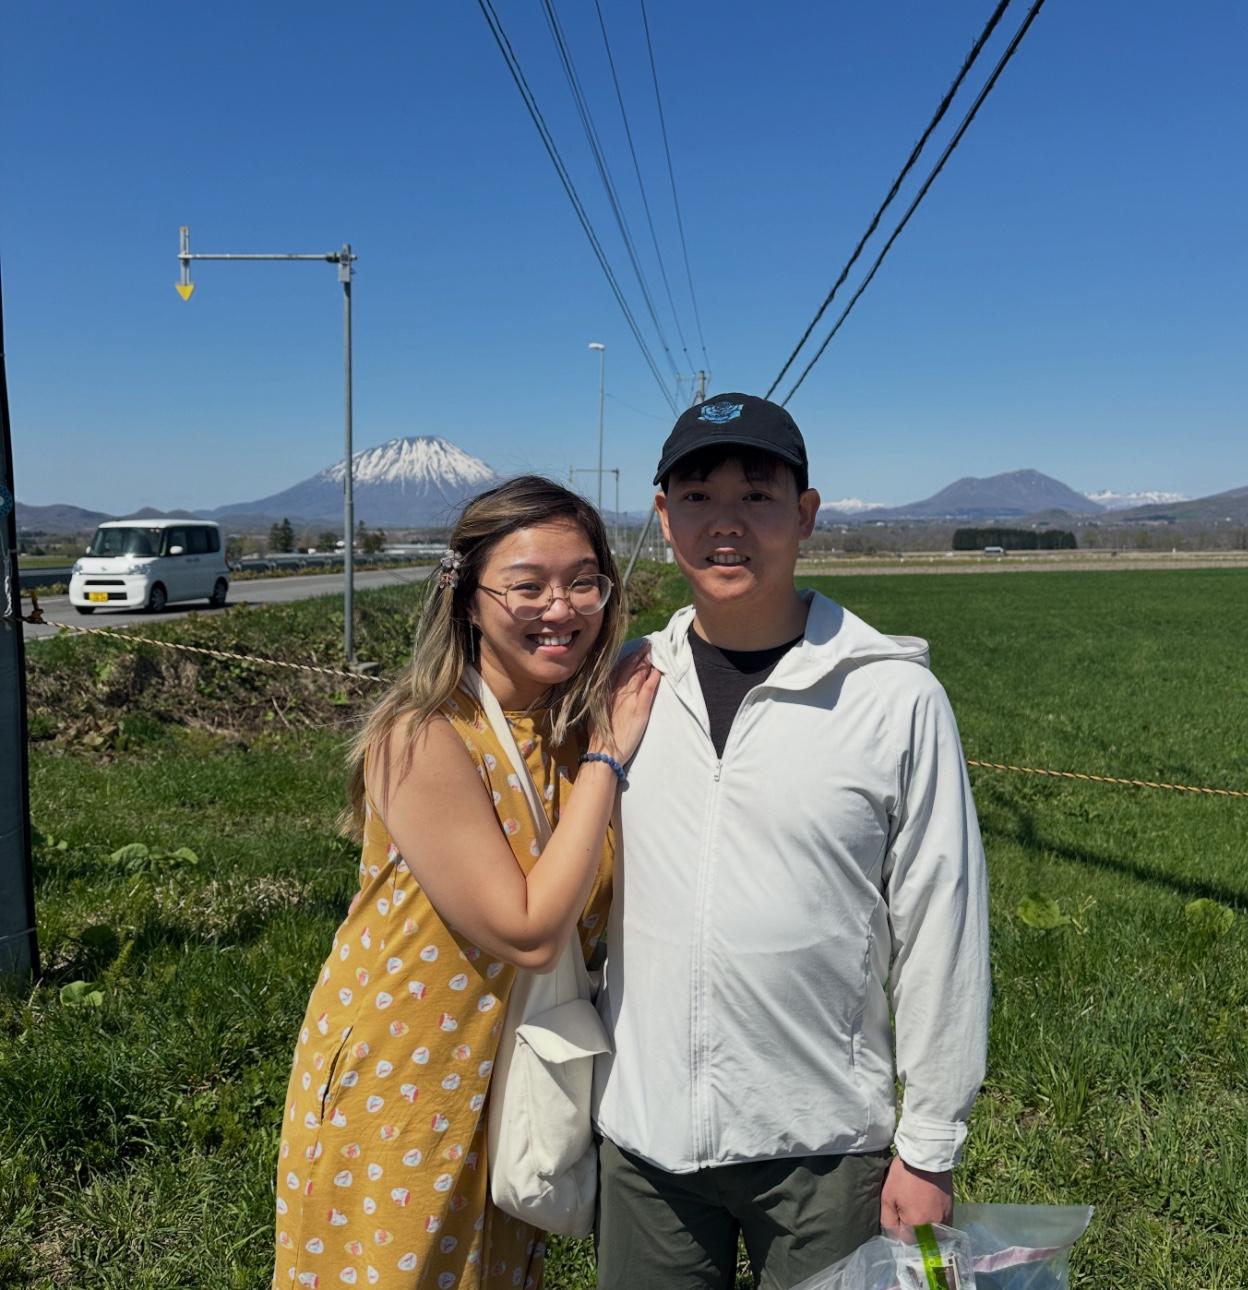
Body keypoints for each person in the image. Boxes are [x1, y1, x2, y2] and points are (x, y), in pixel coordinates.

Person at [592, 395, 991, 1290]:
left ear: (805, 515)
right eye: (696, 497)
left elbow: (943, 925)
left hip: (823, 1146)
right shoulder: (625, 683)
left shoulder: (892, 698)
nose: (725, 525)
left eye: (758, 496)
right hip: (645, 1139)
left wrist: (928, 1147)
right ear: (663, 517)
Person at [273, 475, 659, 1290]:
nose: (562, 608)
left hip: (516, 1079)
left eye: (584, 581)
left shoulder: (565, 727)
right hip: (408, 1079)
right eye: (528, 585)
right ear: (467, 596)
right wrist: (607, 760)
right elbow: (526, 928)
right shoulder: (422, 735)